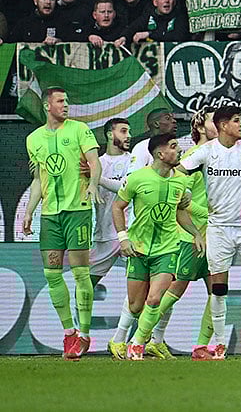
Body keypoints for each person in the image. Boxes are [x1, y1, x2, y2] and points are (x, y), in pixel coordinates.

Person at [178, 105, 241, 358]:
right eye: (237, 120)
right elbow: (178, 171)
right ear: (223, 125)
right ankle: (219, 342)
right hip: (218, 227)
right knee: (219, 287)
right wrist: (181, 191)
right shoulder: (206, 152)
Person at [21, 87, 102, 359]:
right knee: (51, 274)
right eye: (59, 101)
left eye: (66, 101)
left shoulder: (80, 130)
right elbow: (38, 179)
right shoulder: (33, 139)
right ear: (47, 106)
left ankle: (85, 333)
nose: (65, 105)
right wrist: (29, 211)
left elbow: (94, 162)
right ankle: (69, 333)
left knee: (80, 274)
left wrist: (93, 185)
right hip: (50, 216)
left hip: (78, 210)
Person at [111, 134, 203, 360]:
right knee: (135, 306)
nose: (179, 150)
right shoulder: (137, 178)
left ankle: (137, 344)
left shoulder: (181, 181)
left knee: (154, 299)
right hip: (138, 248)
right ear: (160, 154)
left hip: (168, 248)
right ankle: (117, 340)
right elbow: (117, 207)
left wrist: (195, 233)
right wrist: (123, 238)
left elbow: (180, 211)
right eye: (174, 147)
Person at [139, 108, 216, 360]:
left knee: (218, 290)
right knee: (175, 290)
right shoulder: (192, 158)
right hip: (191, 236)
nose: (221, 125)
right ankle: (139, 338)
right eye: (214, 121)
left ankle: (201, 346)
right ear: (201, 128)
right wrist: (208, 214)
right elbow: (181, 201)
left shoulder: (220, 156)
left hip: (213, 235)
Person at [90, 118, 131, 289]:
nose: (128, 136)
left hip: (130, 233)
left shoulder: (133, 160)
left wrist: (96, 178)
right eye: (123, 131)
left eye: (129, 131)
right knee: (86, 285)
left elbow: (125, 188)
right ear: (109, 134)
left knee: (140, 287)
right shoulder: (97, 163)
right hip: (104, 233)